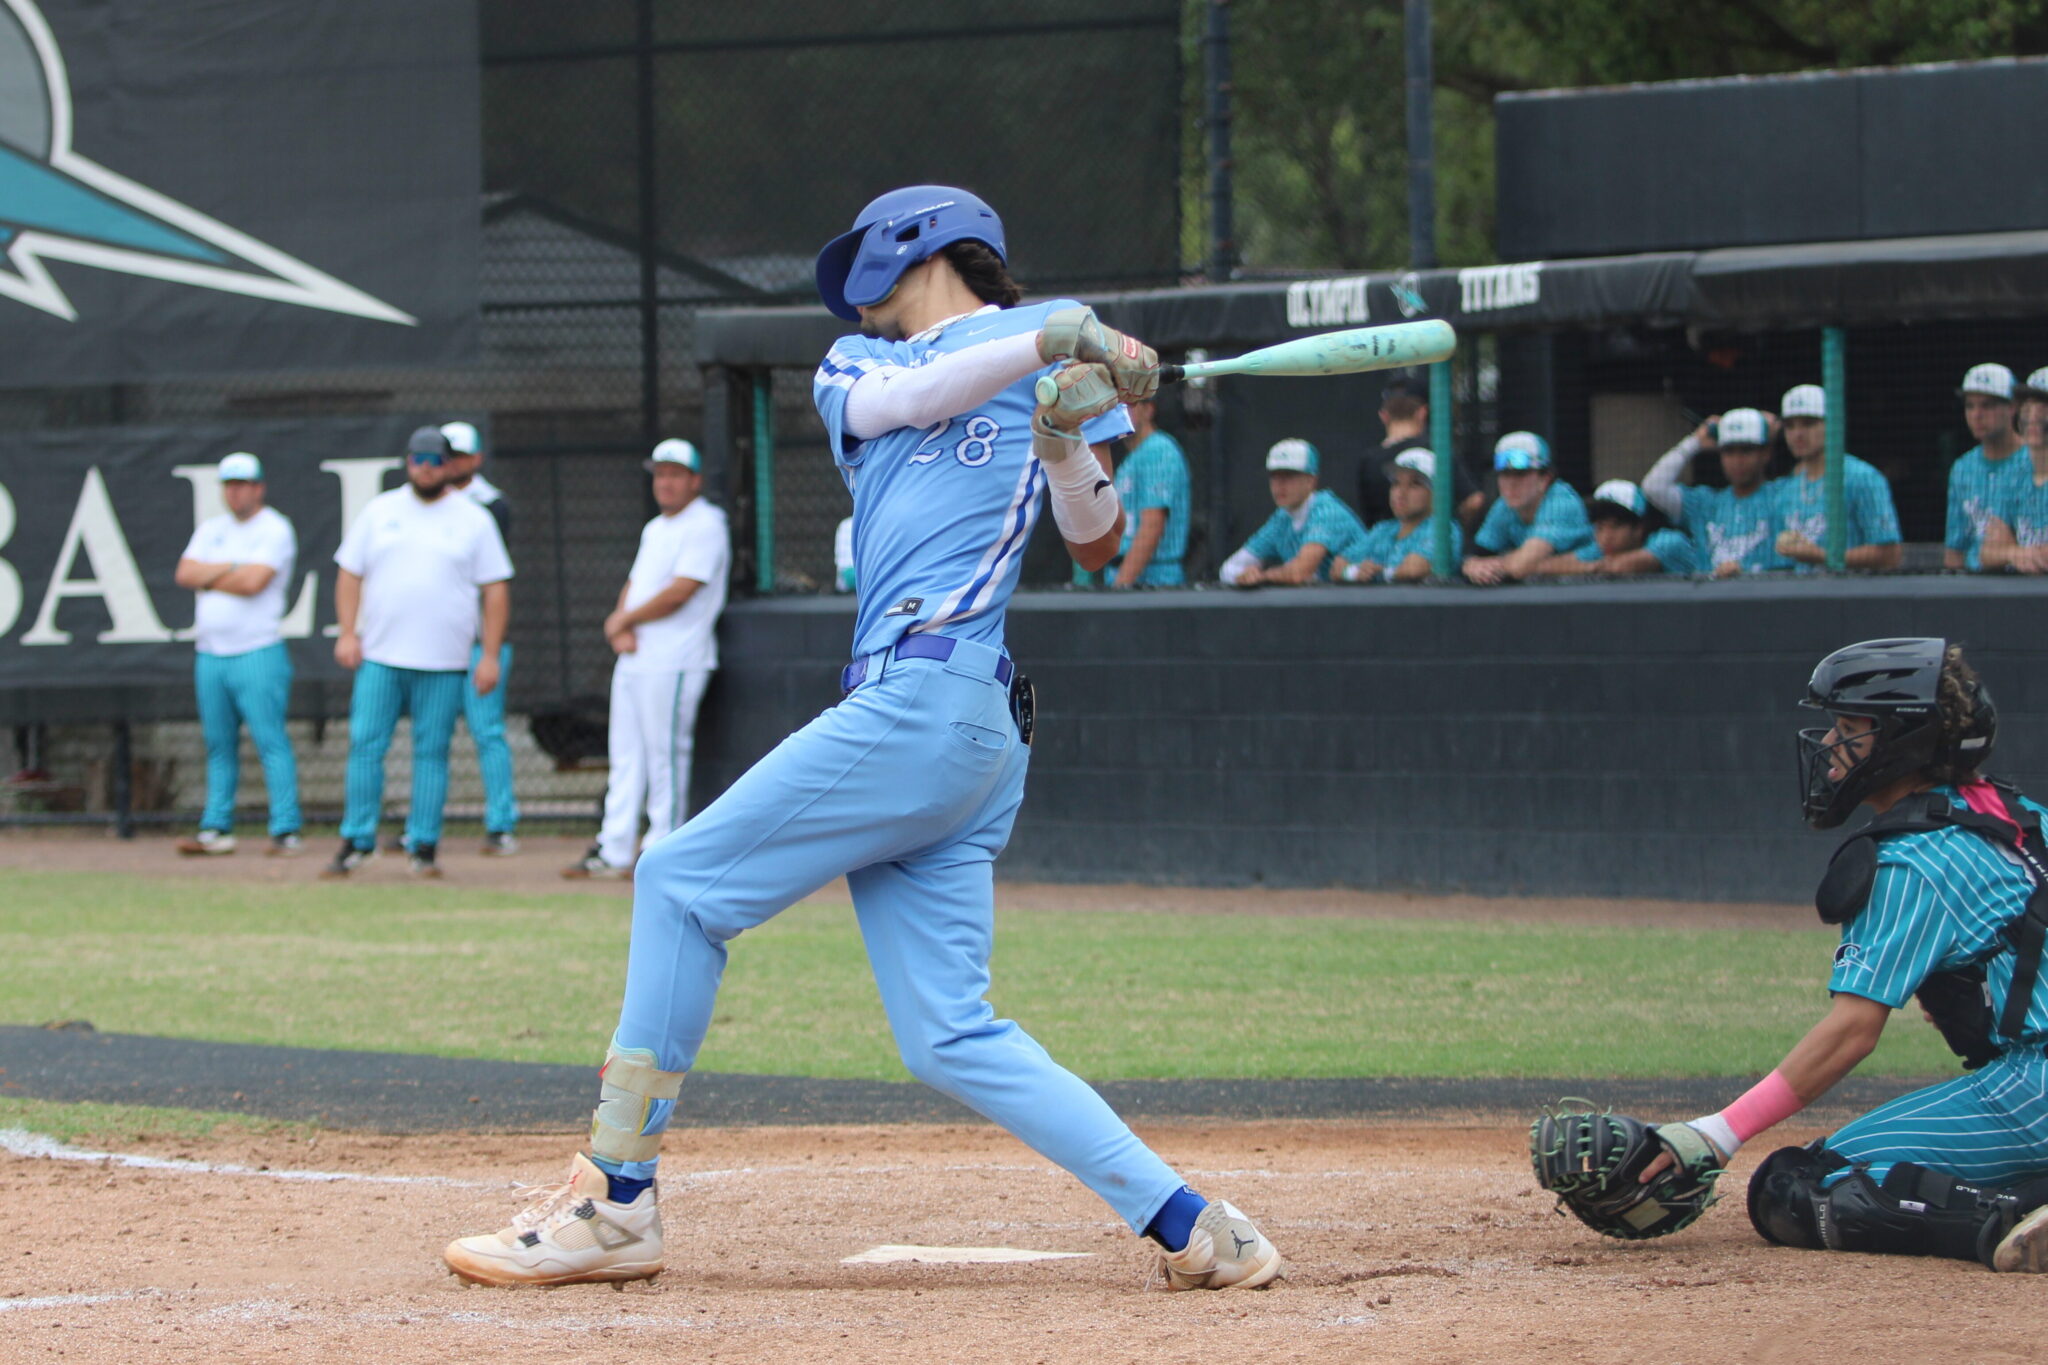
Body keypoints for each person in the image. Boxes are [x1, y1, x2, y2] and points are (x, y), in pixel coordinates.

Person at [445, 185, 1281, 1292]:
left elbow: (1091, 540)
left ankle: (616, 1202)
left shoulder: (1045, 346)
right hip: (943, 724)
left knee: (678, 882)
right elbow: (930, 387)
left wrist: (1062, 438)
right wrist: (1043, 351)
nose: (859, 286)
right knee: (947, 1033)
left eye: (869, 260)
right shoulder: (856, 367)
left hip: (938, 705)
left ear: (923, 243)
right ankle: (1192, 1224)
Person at [1636, 639, 2048, 1272]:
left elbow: (1853, 1032)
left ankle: (1998, 1219)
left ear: (1903, 739)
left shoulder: (1913, 859)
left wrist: (1719, 1133)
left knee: (1798, 1183)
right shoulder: (2022, 813)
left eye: (1851, 729)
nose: (1830, 747)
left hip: (2038, 1090)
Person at [325, 427, 513, 880]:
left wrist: (488, 655)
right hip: (382, 658)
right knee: (365, 745)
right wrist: (348, 633)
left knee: (432, 752)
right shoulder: (379, 511)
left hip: (445, 662)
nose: (425, 468)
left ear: (449, 466)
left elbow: (496, 590)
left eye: (434, 461)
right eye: (417, 460)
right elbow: (349, 574)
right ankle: (357, 839)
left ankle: (424, 844)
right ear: (407, 463)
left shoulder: (474, 519)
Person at [562, 439, 730, 880]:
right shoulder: (656, 528)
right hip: (638, 658)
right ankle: (614, 847)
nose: (666, 482)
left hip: (676, 659)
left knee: (665, 756)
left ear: (695, 480)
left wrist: (622, 620)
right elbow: (636, 584)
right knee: (626, 755)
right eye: (660, 474)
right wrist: (622, 626)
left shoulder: (707, 523)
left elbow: (681, 590)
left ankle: (662, 848)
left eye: (676, 474)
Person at [171, 452, 301, 856]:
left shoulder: (276, 529)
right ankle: (216, 827)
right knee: (218, 744)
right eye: (229, 484)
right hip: (211, 655)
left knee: (270, 740)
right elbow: (184, 574)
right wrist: (230, 566)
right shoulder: (212, 530)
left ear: (259, 487)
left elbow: (253, 582)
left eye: (243, 484)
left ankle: (285, 829)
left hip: (258, 652)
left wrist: (211, 575)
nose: (235, 492)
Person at [441, 420, 520, 856]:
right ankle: (423, 829)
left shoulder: (492, 506)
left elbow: (490, 579)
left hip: (478, 642)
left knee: (487, 731)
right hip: (436, 644)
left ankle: (501, 824)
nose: (450, 463)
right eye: (444, 455)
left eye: (458, 455)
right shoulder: (424, 505)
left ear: (476, 459)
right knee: (432, 738)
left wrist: (489, 651)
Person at [1770, 385, 1903, 572]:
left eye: (1808, 423)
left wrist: (1822, 556)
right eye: (1790, 426)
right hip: (1801, 596)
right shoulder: (1788, 488)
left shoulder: (1863, 477)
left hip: (1852, 596)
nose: (1797, 434)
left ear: (1832, 423)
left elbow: (1891, 555)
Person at [1641, 407, 1787, 577]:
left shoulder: (1782, 494)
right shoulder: (1705, 504)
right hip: (1713, 598)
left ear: (1765, 453)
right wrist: (1694, 442)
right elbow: (1653, 486)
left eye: (1746, 450)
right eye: (1729, 451)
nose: (1737, 460)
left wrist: (1781, 428)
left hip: (1768, 596)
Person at [1217, 439, 1368, 587]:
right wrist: (1242, 577)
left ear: (1311, 481)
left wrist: (1261, 576)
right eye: (1275, 476)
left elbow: (1300, 572)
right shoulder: (1281, 518)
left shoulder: (1327, 511)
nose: (1279, 485)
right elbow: (1228, 569)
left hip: (1373, 599)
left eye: (1289, 476)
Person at [1354, 373, 1485, 528]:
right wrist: (1450, 526)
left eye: (1415, 483)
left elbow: (1367, 519)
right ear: (1423, 412)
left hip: (1402, 547)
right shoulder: (1438, 449)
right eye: (1395, 483)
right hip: (1418, 545)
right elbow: (1473, 500)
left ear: (1384, 416)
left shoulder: (1368, 461)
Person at [1462, 431, 1592, 583]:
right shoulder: (1503, 505)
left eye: (1521, 474)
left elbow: (1520, 566)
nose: (1511, 484)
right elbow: (1478, 554)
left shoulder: (1562, 502)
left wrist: (1486, 565)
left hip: (1595, 588)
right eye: (1505, 474)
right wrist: (1472, 565)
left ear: (1544, 479)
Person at [1330, 448, 1460, 582]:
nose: (1400, 493)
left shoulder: (1443, 528)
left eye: (1415, 484)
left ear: (1436, 494)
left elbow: (1414, 569)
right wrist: (1354, 572)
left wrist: (1376, 574)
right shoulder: (1383, 530)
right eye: (1396, 483)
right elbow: (1337, 567)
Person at [1945, 363, 2029, 572]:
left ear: (2012, 407)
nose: (1977, 414)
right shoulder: (1962, 468)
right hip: (1975, 587)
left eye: (1987, 405)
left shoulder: (2037, 460)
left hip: (2029, 582)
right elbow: (1955, 549)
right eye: (1970, 406)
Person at [1103, 396, 1191, 587]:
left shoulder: (1159, 449)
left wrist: (1121, 587)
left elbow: (1152, 525)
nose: (1120, 412)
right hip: (1125, 576)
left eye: (1128, 405)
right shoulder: (1132, 459)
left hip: (1154, 582)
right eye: (1116, 406)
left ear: (1148, 409)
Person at [1534, 479, 1697, 577]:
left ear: (1639, 528)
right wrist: (1591, 566)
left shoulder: (1670, 540)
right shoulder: (1602, 550)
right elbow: (1544, 566)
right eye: (1600, 527)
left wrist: (1591, 567)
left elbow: (1618, 567)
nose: (1606, 536)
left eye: (1614, 527)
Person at [1982, 367, 2048, 574]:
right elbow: (1987, 552)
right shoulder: (2014, 474)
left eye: (2044, 408)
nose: (2033, 417)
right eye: (2028, 407)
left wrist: (2013, 548)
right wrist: (2014, 553)